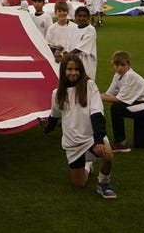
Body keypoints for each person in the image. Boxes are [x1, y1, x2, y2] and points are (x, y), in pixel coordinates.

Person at [42, 53, 117, 199]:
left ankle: (103, 183)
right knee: (79, 184)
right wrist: (48, 128)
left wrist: (99, 139)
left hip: (90, 138)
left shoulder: (89, 86)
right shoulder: (57, 93)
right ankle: (87, 166)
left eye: (77, 69)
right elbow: (55, 114)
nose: (73, 72)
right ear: (63, 71)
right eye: (69, 69)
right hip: (72, 143)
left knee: (107, 154)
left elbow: (97, 114)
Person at [67, 6, 98, 80]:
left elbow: (80, 48)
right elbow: (69, 46)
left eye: (84, 16)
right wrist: (62, 54)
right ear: (75, 16)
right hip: (73, 60)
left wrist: (65, 56)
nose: (81, 18)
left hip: (86, 61)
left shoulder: (91, 29)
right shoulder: (73, 28)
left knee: (86, 84)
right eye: (79, 16)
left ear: (88, 17)